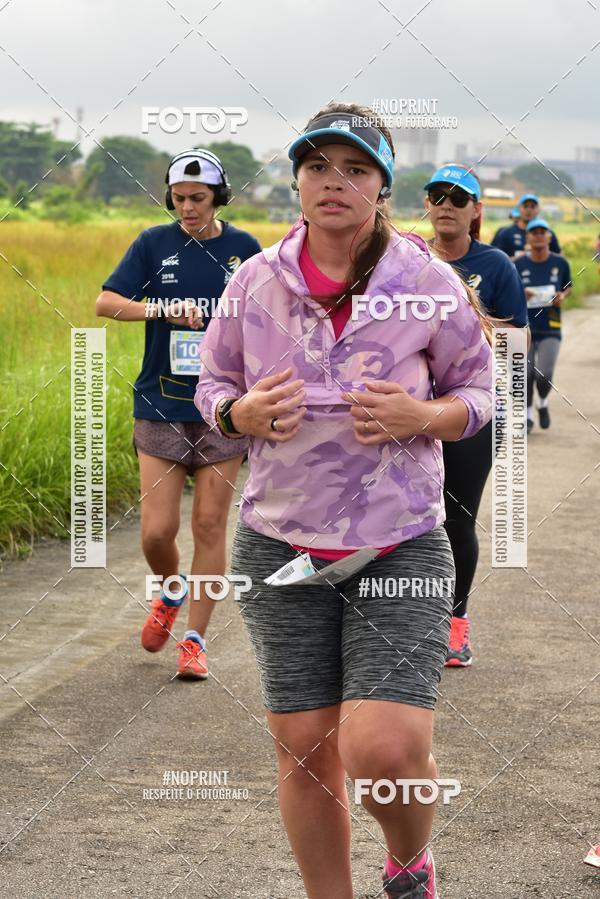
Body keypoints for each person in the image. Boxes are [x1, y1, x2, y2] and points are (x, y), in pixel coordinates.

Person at [195, 103, 492, 899]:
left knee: (382, 750)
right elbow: (212, 384)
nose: (334, 182)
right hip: (280, 547)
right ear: (297, 180)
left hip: (397, 540)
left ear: (381, 187)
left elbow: (479, 393)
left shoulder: (425, 282)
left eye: (356, 169)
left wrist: (420, 415)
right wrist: (238, 413)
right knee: (304, 748)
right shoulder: (254, 280)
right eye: (318, 166)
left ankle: (409, 863)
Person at [96, 149, 260, 680]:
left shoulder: (244, 250)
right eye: (179, 198)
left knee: (209, 524)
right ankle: (169, 591)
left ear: (219, 197)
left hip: (223, 408)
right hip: (160, 404)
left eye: (199, 198)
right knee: (156, 531)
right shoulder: (152, 243)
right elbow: (106, 302)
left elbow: (267, 318)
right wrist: (161, 308)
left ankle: (195, 639)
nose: (188, 208)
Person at [423, 164, 529, 668]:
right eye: (438, 196)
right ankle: (405, 621)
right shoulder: (409, 258)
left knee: (455, 517)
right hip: (412, 412)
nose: (447, 205)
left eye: (458, 198)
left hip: (474, 413)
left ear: (476, 211)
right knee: (406, 522)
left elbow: (516, 340)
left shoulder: (496, 265)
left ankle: (455, 623)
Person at [514, 218, 571, 433]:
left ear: (549, 236)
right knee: (526, 373)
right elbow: (508, 290)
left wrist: (562, 295)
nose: (538, 235)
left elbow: (568, 286)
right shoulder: (517, 264)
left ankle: (543, 403)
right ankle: (527, 414)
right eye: (534, 232)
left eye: (542, 232)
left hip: (550, 326)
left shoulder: (560, 263)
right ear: (528, 237)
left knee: (544, 374)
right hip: (524, 326)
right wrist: (521, 293)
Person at [492, 193, 560, 259]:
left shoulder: (547, 233)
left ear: (538, 209)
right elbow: (496, 259)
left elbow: (558, 259)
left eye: (532, 206)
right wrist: (520, 259)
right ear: (519, 209)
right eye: (525, 206)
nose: (529, 210)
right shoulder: (506, 233)